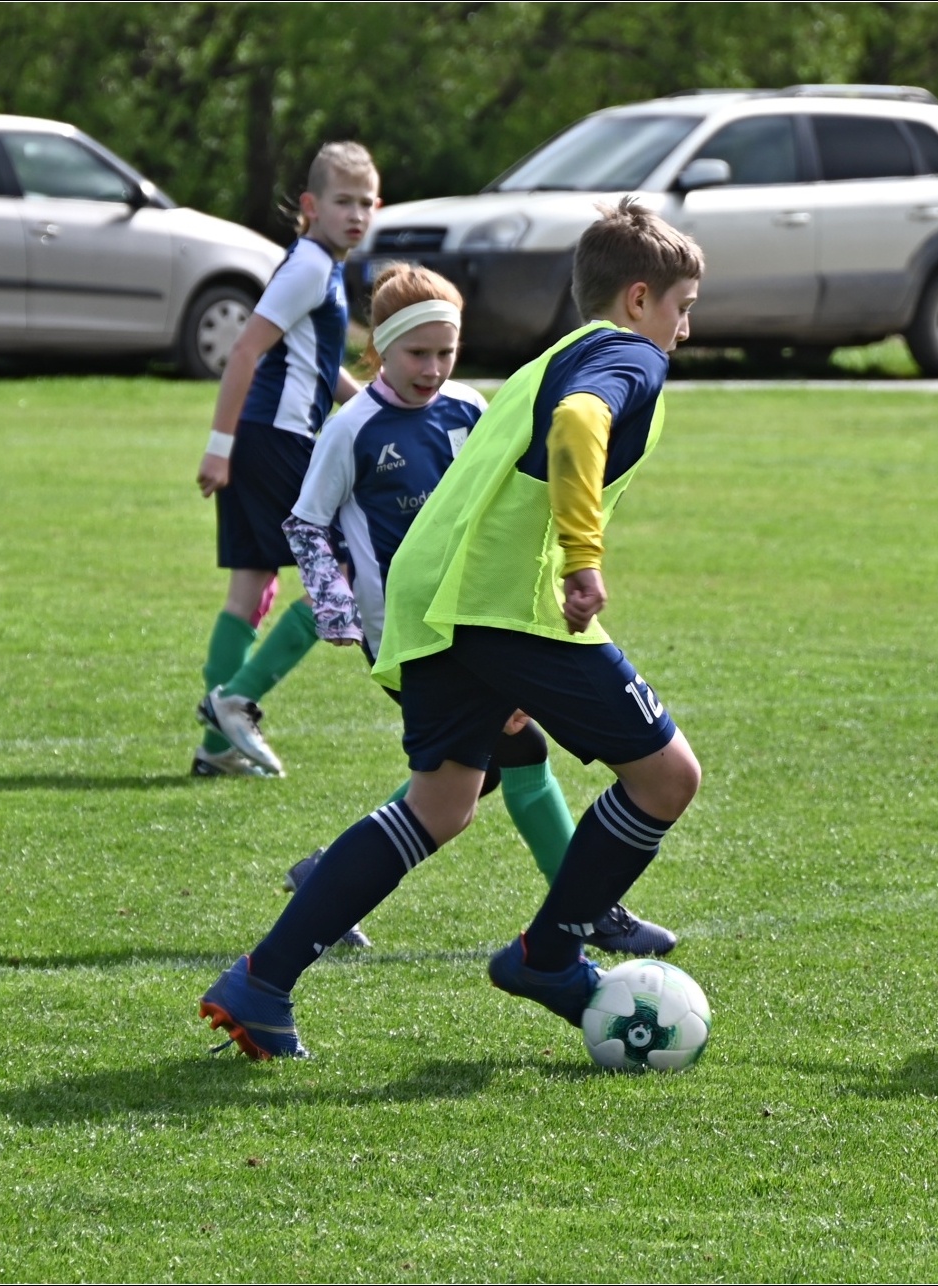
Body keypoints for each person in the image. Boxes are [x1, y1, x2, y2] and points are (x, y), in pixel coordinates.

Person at [201, 199, 704, 1058]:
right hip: (505, 605)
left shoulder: (554, 357)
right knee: (667, 779)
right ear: (637, 298)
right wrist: (583, 557)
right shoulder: (630, 354)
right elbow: (581, 424)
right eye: (681, 308)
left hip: (433, 600)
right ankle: (549, 957)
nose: (684, 330)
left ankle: (262, 982)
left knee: (441, 804)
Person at [280, 260, 675, 956]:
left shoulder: (467, 406)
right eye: (417, 353)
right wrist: (337, 609)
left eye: (446, 352)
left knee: (467, 778)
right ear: (380, 350)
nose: (433, 368)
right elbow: (307, 522)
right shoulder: (353, 426)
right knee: (506, 759)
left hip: (471, 607)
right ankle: (586, 913)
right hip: (412, 622)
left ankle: (327, 881)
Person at [190, 141, 379, 779]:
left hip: (263, 438)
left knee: (250, 587)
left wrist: (376, 405)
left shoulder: (318, 265)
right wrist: (219, 448)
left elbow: (317, 369)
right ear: (311, 205)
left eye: (366, 203)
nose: (356, 214)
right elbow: (245, 350)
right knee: (343, 570)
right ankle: (236, 702)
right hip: (276, 440)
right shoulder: (309, 266)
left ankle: (217, 748)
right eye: (342, 202)